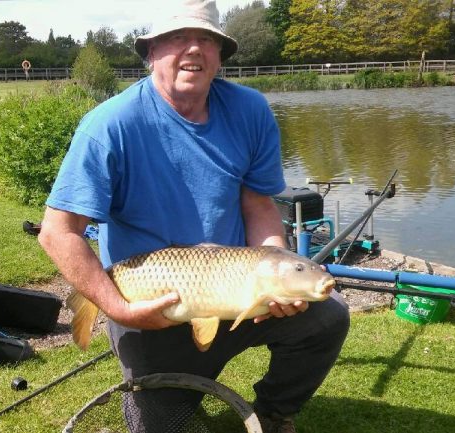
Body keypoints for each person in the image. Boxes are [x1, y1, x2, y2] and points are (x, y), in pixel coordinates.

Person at [38, 1, 350, 432]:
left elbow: (259, 205)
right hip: (149, 307)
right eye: (178, 38)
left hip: (235, 289)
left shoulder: (250, 111)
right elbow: (58, 233)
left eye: (207, 39)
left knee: (327, 315)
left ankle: (276, 411)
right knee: (164, 424)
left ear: (221, 55)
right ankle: (165, 387)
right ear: (150, 52)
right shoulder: (109, 126)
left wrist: (276, 269)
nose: (194, 50)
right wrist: (118, 309)